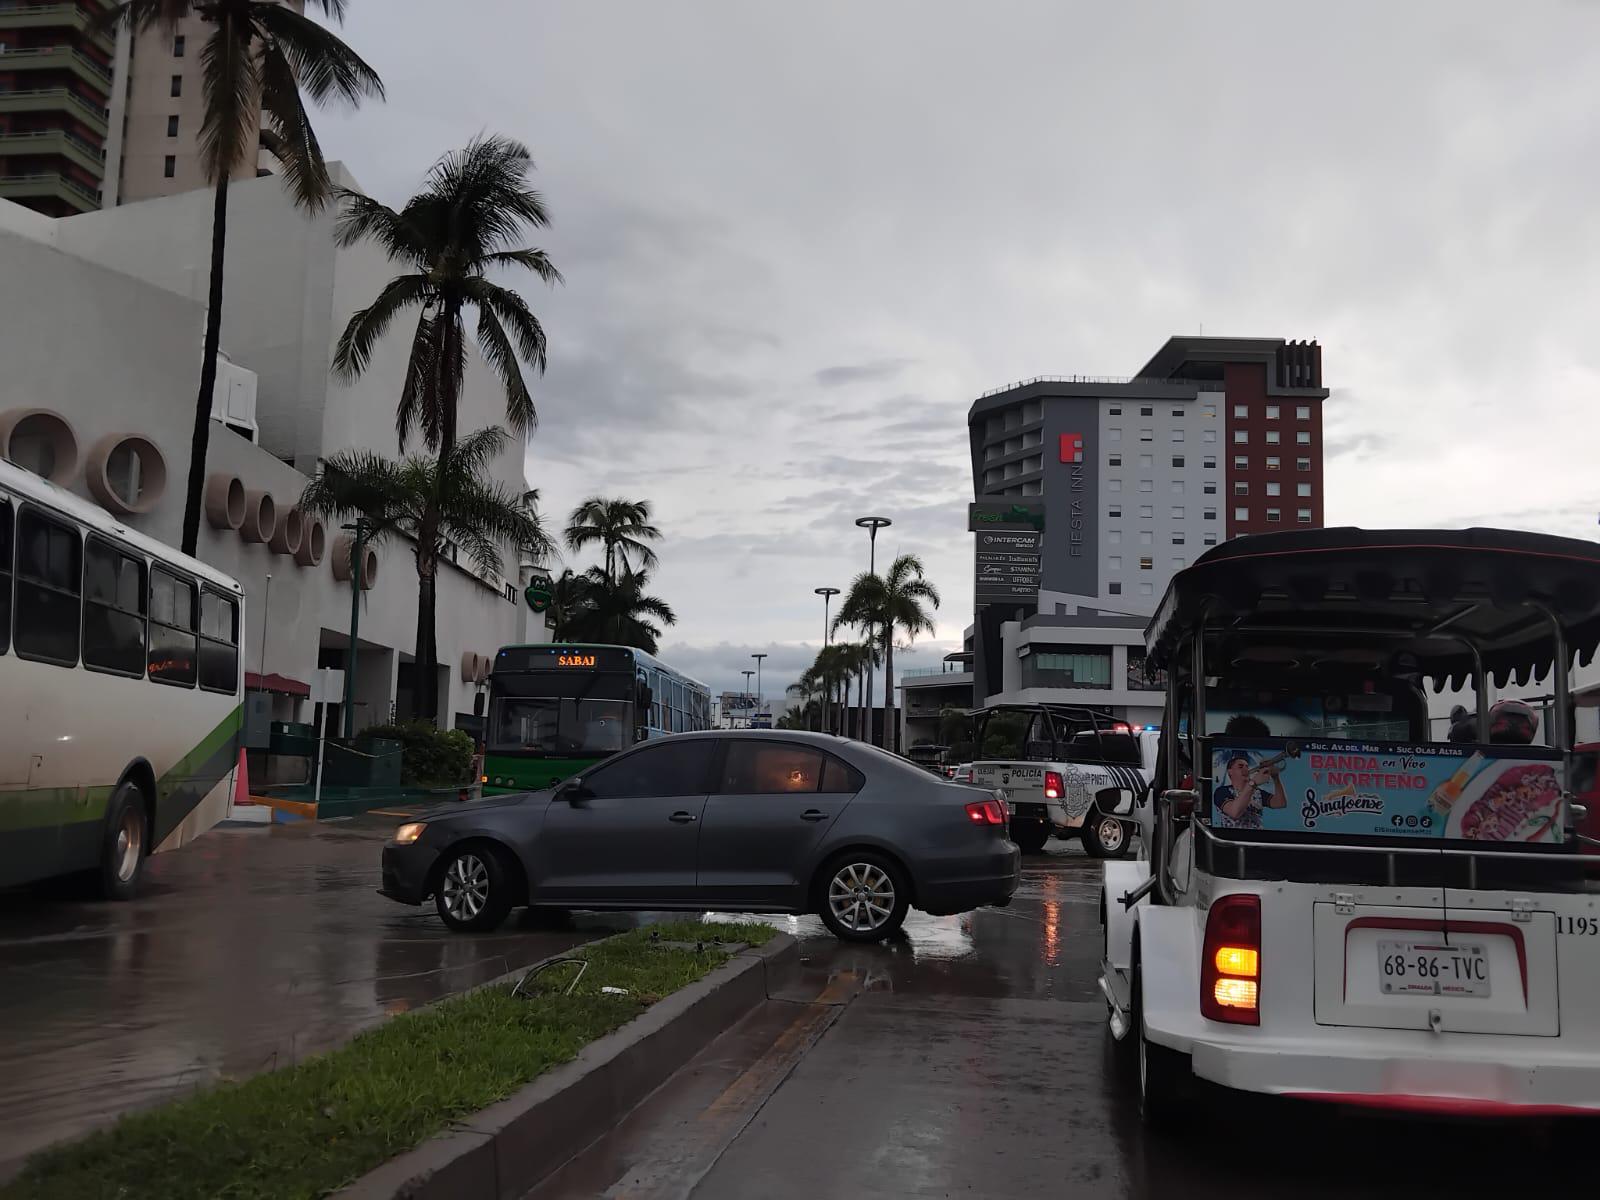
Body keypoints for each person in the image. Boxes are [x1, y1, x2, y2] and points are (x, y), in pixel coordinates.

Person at [1212, 749, 1287, 829]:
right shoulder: (1221, 792)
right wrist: (1253, 783)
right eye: (1240, 767)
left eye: (1247, 766)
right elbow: (1234, 812)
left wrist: (1275, 777)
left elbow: (1280, 803)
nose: (1246, 769)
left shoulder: (1257, 792)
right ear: (1230, 771)